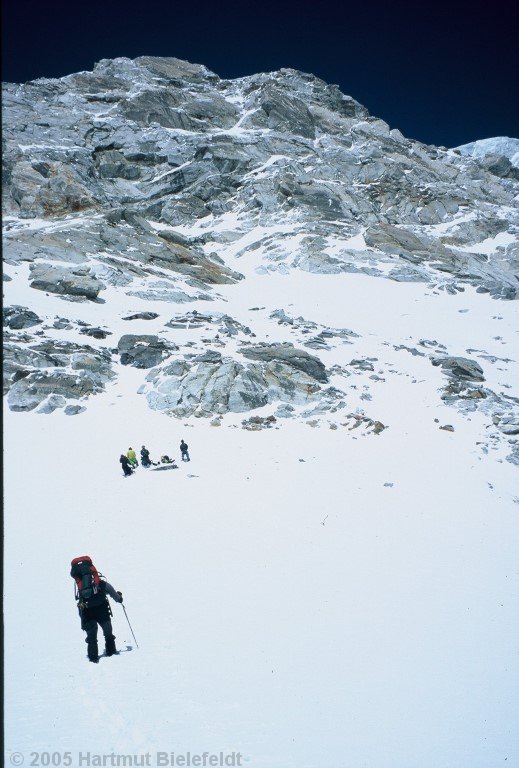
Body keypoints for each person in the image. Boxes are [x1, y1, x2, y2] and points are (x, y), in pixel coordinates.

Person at [71, 559, 123, 663]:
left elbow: (79, 602)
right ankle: (111, 653)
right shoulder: (100, 583)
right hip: (102, 610)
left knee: (91, 636)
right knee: (108, 632)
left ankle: (93, 658)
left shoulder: (81, 588)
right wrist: (119, 598)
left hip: (86, 612)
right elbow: (112, 592)